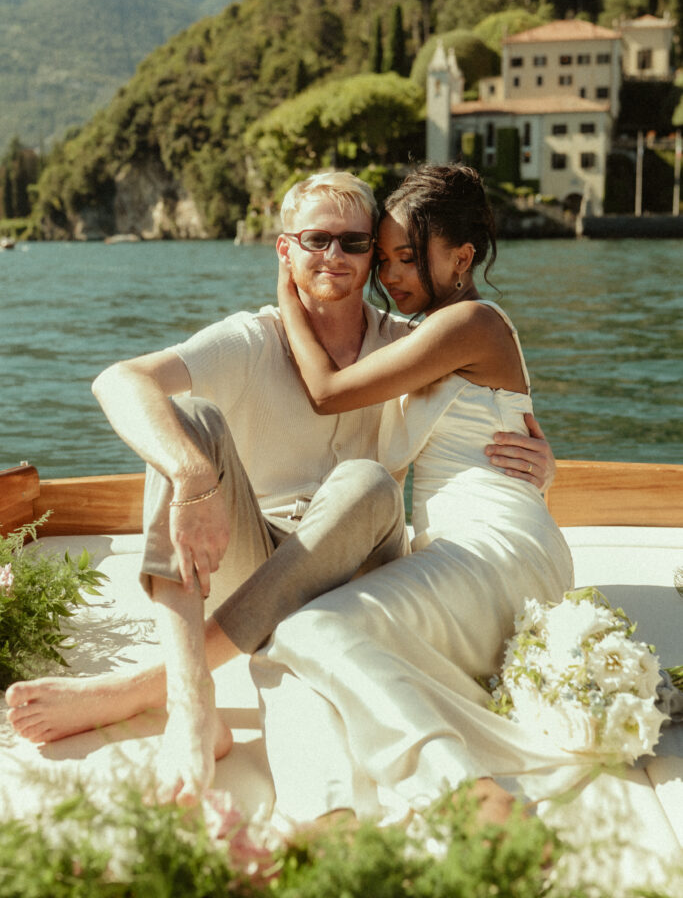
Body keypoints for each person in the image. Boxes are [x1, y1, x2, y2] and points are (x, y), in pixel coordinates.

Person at [6, 169, 553, 809]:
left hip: (358, 559)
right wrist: (189, 472)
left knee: (367, 481)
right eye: (316, 240)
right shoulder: (252, 337)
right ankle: (191, 699)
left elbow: (479, 411)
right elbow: (119, 380)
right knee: (183, 420)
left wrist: (544, 464)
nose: (337, 257)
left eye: (356, 245)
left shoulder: (409, 341)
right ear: (284, 248)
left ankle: (148, 688)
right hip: (256, 562)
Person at [251, 163, 575, 826]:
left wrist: (286, 296)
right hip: (462, 545)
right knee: (299, 652)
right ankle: (329, 815)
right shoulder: (419, 335)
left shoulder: (472, 323)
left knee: (310, 628)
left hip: (494, 546)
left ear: (460, 256)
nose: (389, 274)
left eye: (406, 256)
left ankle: (464, 791)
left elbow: (327, 394)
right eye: (385, 256)